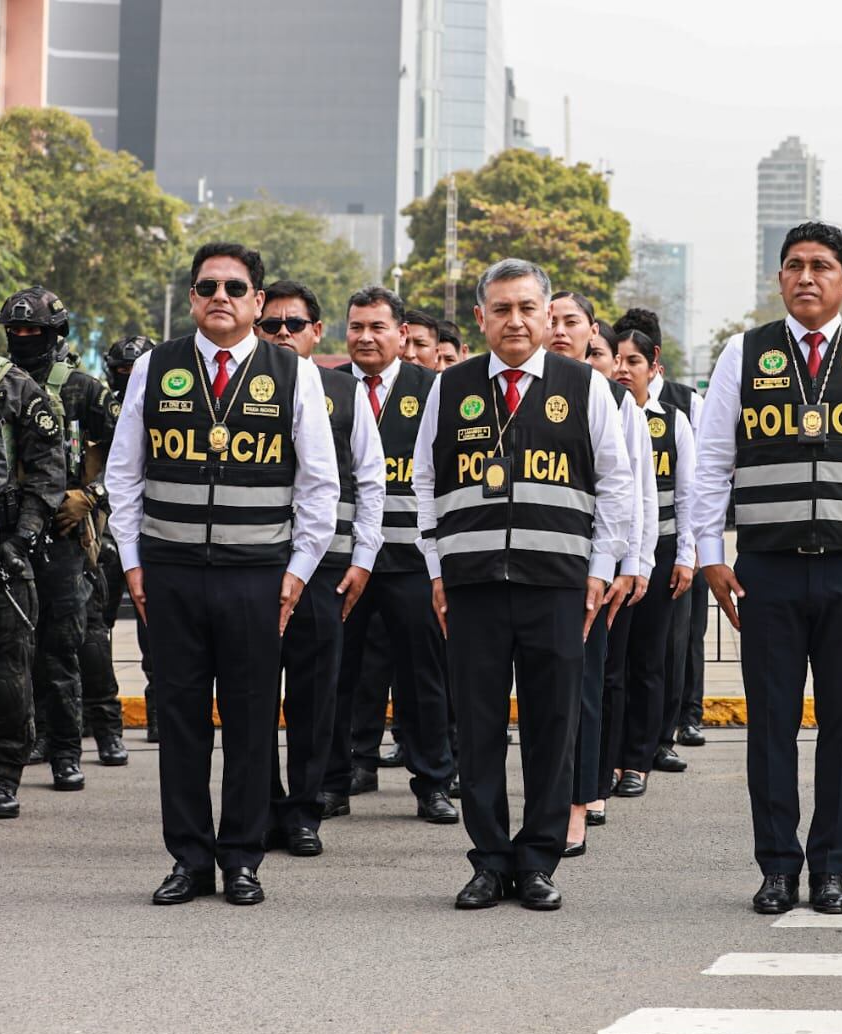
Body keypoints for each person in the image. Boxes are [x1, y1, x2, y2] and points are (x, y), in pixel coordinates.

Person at [693, 221, 842, 916]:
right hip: (765, 567)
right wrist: (709, 553)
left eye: (821, 266)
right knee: (770, 724)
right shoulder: (743, 353)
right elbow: (711, 460)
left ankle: (830, 868)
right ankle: (776, 867)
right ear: (778, 278)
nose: (805, 277)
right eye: (793, 265)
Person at [107, 242, 340, 905]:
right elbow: (124, 474)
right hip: (170, 577)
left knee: (248, 720)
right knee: (180, 721)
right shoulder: (158, 366)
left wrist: (296, 573)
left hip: (257, 579)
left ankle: (241, 858)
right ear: (191, 298)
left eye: (236, 288)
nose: (221, 297)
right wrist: (132, 561)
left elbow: (320, 487)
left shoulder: (293, 375)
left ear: (257, 302)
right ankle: (188, 859)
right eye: (208, 286)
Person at [414, 257, 633, 911]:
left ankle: (538, 860)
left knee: (552, 724)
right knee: (476, 728)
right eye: (501, 309)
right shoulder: (449, 388)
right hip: (473, 585)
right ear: (481, 317)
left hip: (558, 585)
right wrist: (436, 569)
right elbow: (426, 481)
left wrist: (601, 573)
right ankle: (488, 861)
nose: (515, 320)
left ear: (547, 315)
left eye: (526, 308)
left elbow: (615, 485)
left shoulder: (583, 387)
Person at [256, 281, 385, 855]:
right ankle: (261, 806)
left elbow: (372, 480)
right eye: (272, 325)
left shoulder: (344, 394)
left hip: (325, 570)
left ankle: (305, 810)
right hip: (252, 565)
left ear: (316, 331)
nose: (282, 334)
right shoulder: (237, 389)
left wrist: (363, 559)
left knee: (315, 697)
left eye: (294, 325)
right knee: (251, 694)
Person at [320, 287, 456, 824]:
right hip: (343, 560)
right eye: (356, 327)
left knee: (424, 677)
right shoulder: (324, 389)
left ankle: (433, 783)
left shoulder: (437, 389)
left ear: (402, 335)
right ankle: (333, 780)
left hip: (412, 560)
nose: (365, 337)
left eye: (378, 327)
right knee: (336, 674)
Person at [546, 289, 653, 853]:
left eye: (573, 322)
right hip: (534, 566)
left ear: (593, 332)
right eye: (553, 319)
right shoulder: (521, 392)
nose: (561, 330)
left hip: (591, 569)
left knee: (585, 690)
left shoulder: (613, 400)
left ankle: (579, 801)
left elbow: (635, 489)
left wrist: (631, 563)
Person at [1, 288, 115, 788]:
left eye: (35, 332)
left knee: (62, 645)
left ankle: (68, 750)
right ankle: (35, 736)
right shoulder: (1, 383)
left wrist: (91, 494)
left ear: (55, 335)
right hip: (8, 529)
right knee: (13, 649)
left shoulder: (83, 389)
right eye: (16, 332)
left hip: (64, 534)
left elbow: (132, 451)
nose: (25, 339)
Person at [613, 308, 709, 757]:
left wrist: (689, 556)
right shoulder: (605, 413)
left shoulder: (675, 417)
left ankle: (657, 743)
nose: (622, 369)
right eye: (617, 359)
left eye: (633, 361)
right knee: (619, 660)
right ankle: (618, 747)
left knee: (664, 652)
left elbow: (691, 492)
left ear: (654, 367)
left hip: (667, 550)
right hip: (616, 554)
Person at [0, 316, 66, 818]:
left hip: (0, 550)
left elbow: (48, 467)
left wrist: (22, 537)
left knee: (6, 670)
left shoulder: (12, 386)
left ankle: (0, 777)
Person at [100, 335, 161, 742]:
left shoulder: (168, 399)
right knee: (93, 632)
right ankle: (101, 721)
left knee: (153, 632)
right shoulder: (98, 404)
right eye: (121, 372)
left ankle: (157, 712)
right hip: (102, 529)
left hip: (149, 530)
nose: (127, 378)